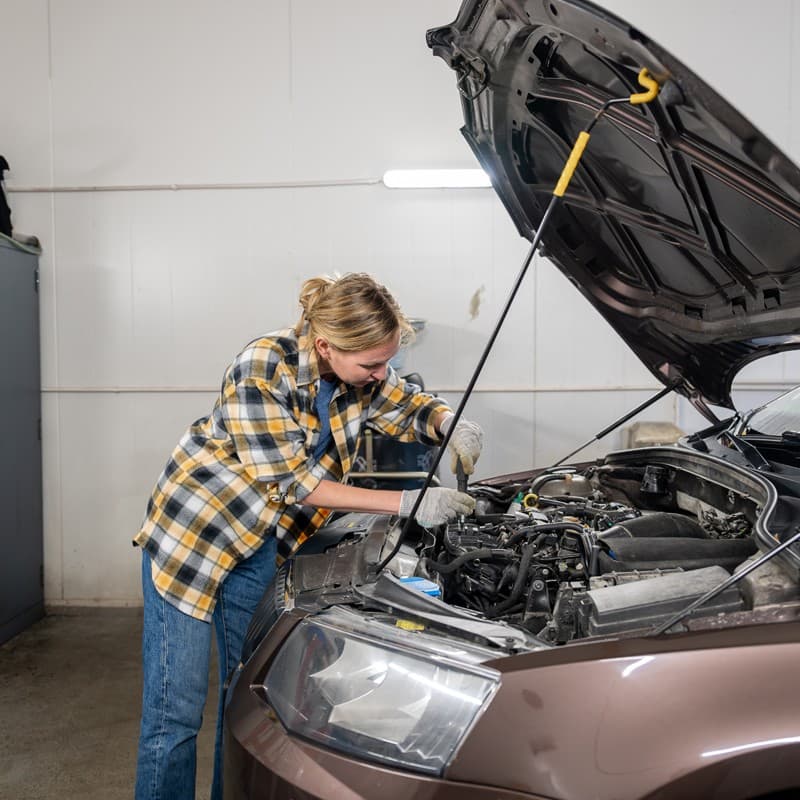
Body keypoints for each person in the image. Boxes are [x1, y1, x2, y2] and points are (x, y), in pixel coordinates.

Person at [133, 272, 483, 800]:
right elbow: (294, 482)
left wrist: (447, 422)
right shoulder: (262, 366)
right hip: (195, 540)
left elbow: (406, 401)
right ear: (326, 344)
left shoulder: (357, 373)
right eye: (371, 363)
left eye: (386, 360)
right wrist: (409, 503)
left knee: (241, 701)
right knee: (175, 712)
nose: (381, 373)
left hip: (260, 545)